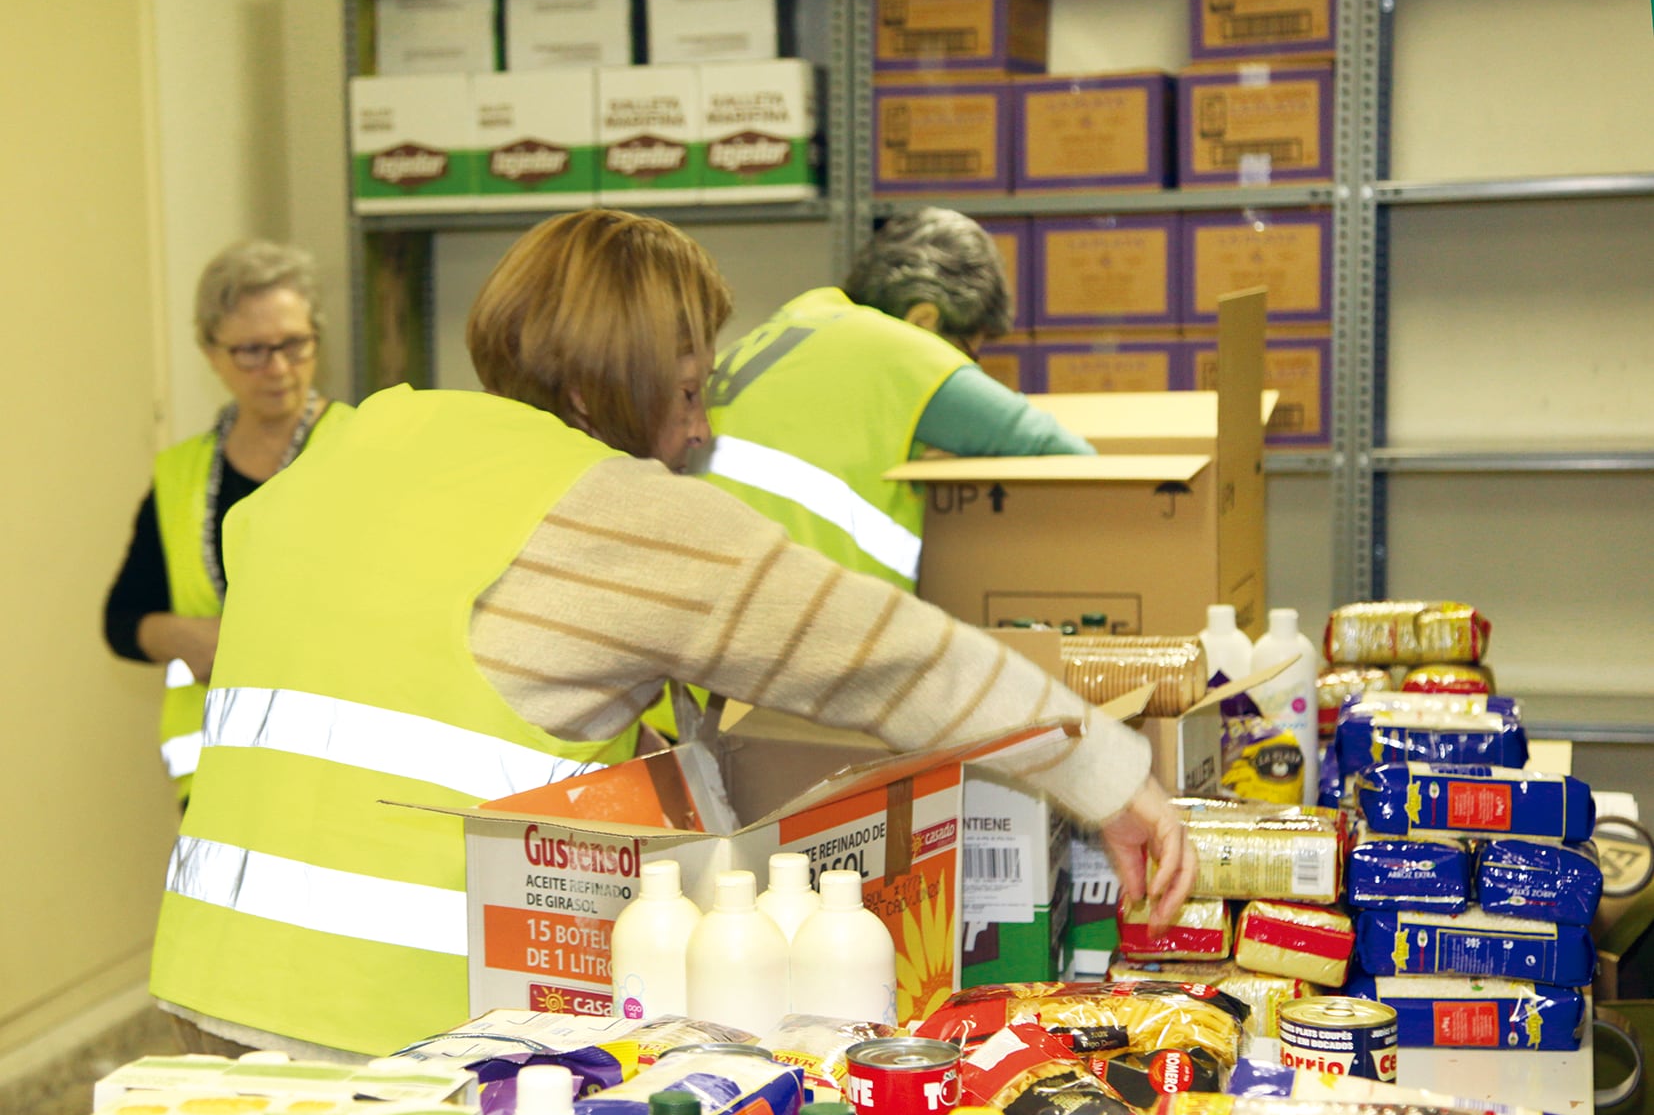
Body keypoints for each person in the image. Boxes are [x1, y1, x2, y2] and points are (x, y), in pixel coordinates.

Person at [148, 209, 1195, 1061]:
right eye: (690, 392)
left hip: (207, 991)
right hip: (395, 1028)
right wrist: (1110, 774)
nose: (699, 431)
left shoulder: (357, 440)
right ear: (603, 381)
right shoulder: (608, 506)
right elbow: (887, 651)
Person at [694, 207, 1095, 591]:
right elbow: (1067, 456)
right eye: (968, 355)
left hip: (711, 595)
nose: (966, 371)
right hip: (804, 620)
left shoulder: (795, 325)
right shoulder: (900, 350)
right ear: (924, 319)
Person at [104, 241, 352, 803]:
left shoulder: (362, 448)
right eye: (252, 351)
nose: (279, 368)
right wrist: (180, 634)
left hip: (337, 768)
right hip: (216, 778)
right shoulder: (181, 474)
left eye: (295, 343)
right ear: (210, 352)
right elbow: (121, 620)